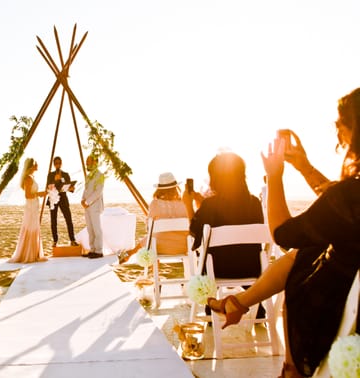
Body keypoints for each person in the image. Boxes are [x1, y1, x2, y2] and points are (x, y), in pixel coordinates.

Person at [207, 88, 360, 377]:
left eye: (340, 122)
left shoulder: (351, 193)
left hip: (340, 301)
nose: (336, 129)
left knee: (302, 260)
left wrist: (275, 177)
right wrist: (304, 166)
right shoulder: (350, 195)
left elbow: (283, 233)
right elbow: (340, 205)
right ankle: (239, 303)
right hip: (353, 286)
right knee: (308, 252)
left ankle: (292, 369)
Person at [184, 151, 265, 279]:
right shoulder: (254, 203)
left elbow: (195, 235)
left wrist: (188, 205)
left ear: (214, 178)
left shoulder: (210, 205)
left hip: (216, 270)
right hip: (251, 269)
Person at [118, 172, 189, 264]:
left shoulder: (155, 204)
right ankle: (130, 253)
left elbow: (149, 228)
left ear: (159, 189)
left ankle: (130, 254)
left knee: (151, 238)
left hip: (159, 247)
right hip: (183, 246)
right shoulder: (184, 204)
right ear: (176, 187)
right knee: (152, 237)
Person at [8, 158, 48, 263]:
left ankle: (35, 252)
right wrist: (39, 194)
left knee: (34, 227)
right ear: (31, 166)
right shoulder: (28, 179)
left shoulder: (31, 177)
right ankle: (28, 254)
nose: (37, 165)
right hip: (30, 206)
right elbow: (28, 195)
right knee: (31, 227)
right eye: (36, 163)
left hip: (34, 205)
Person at [46, 156, 78, 247]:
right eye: (56, 163)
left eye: (59, 163)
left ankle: (72, 239)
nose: (57, 165)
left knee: (68, 218)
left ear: (61, 163)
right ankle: (55, 241)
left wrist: (71, 188)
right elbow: (48, 186)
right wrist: (54, 181)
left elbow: (68, 187)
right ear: (53, 164)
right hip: (53, 198)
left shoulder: (65, 174)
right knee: (53, 220)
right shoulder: (50, 175)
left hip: (63, 198)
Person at [81, 154, 105, 259]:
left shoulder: (100, 175)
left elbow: (98, 191)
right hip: (87, 205)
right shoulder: (88, 176)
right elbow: (86, 189)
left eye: (88, 161)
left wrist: (88, 202)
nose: (86, 163)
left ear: (95, 162)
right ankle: (92, 249)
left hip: (94, 206)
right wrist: (82, 200)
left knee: (96, 229)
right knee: (90, 229)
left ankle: (99, 251)